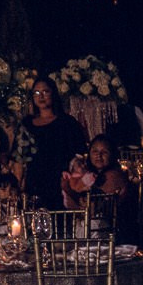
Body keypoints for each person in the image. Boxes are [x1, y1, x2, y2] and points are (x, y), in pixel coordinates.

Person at [22, 79, 90, 210]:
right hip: (35, 183)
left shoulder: (67, 122)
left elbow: (79, 153)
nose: (41, 96)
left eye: (45, 91)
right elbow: (20, 156)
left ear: (53, 93)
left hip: (60, 183)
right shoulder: (27, 124)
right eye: (36, 92)